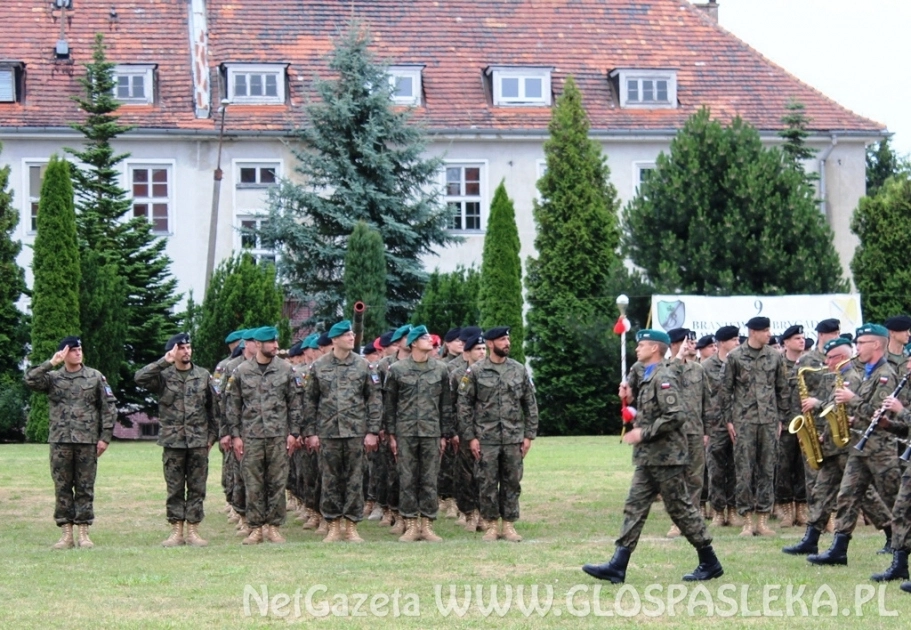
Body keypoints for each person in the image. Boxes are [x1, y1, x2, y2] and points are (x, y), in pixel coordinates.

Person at [582, 329, 723, 583]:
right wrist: (629, 399)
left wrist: (643, 433)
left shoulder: (664, 376)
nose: (638, 348)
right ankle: (618, 564)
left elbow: (675, 415)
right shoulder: (647, 375)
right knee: (634, 507)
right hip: (649, 457)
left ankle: (709, 560)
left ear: (656, 349)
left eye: (643, 344)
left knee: (680, 509)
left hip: (666, 456)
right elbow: (647, 410)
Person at [783, 337, 894, 557]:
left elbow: (850, 410)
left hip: (847, 445)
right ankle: (811, 538)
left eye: (830, 357)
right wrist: (823, 436)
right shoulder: (836, 377)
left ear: (841, 357)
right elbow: (834, 412)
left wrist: (818, 404)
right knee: (821, 492)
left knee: (863, 496)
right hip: (834, 445)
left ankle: (892, 533)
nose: (826, 361)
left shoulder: (851, 377)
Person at [809, 324, 903, 566]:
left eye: (862, 343)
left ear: (876, 345)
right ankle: (839, 550)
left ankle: (899, 549)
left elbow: (881, 414)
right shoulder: (869, 372)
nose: (857, 347)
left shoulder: (885, 374)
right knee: (847, 496)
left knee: (895, 499)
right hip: (860, 446)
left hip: (879, 448)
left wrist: (853, 400)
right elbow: (867, 412)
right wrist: (850, 417)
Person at [25, 336, 117, 549]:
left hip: (87, 441)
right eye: (73, 350)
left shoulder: (95, 377)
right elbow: (30, 379)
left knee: (85, 487)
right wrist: (51, 362)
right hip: (61, 441)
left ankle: (84, 532)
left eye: (79, 349)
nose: (78, 353)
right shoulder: (53, 378)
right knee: (62, 487)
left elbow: (108, 408)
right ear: (64, 354)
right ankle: (66, 534)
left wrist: (105, 438)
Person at [135, 332, 217, 547]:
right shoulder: (163, 376)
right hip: (173, 442)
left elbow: (214, 410)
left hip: (198, 441)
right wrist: (164, 361)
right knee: (175, 488)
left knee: (198, 487)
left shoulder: (202, 375)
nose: (186, 351)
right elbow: (139, 378)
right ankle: (176, 531)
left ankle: (193, 530)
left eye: (188, 347)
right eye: (181, 348)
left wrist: (211, 437)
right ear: (173, 351)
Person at [304, 320, 382, 543]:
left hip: (355, 431)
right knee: (329, 479)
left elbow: (374, 399)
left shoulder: (363, 365)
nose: (351, 337)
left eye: (352, 334)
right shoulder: (319, 366)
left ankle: (351, 525)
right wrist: (311, 432)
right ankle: (333, 525)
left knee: (355, 480)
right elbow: (310, 401)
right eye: (346, 335)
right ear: (335, 339)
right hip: (328, 432)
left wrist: (372, 431)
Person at [458, 326, 538, 542]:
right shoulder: (475, 371)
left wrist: (529, 435)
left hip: (513, 438)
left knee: (512, 481)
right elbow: (464, 405)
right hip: (486, 439)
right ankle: (491, 525)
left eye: (508, 339)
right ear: (491, 343)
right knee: (487, 482)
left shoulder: (519, 370)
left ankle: (509, 525)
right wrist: (471, 437)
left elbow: (530, 403)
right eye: (502, 340)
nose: (507, 343)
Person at [226, 326, 304, 545]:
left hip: (278, 436)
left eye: (276, 342)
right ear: (258, 344)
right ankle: (256, 527)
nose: (276, 346)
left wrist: (294, 432)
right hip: (251, 437)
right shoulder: (242, 371)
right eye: (271, 342)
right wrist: (235, 435)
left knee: (277, 482)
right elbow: (233, 406)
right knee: (253, 483)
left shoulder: (286, 370)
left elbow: (295, 404)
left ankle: (274, 527)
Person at [384, 325, 454, 542]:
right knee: (407, 478)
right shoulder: (397, 370)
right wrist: (391, 434)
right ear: (413, 343)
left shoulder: (441, 370)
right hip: (406, 432)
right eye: (424, 338)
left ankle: (427, 524)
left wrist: (445, 434)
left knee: (430, 478)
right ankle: (411, 524)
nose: (429, 340)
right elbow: (390, 405)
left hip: (431, 432)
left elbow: (446, 405)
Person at [721, 316, 790, 536]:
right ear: (753, 332)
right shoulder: (735, 357)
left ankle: (762, 519)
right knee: (744, 470)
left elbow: (782, 389)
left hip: (769, 421)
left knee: (767, 469)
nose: (769, 334)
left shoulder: (775, 357)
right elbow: (725, 390)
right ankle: (747, 520)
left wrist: (781, 419)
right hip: (744, 422)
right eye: (765, 330)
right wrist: (728, 420)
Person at [665, 328, 711, 538]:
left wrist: (707, 430)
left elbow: (706, 402)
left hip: (695, 430)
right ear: (675, 344)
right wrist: (678, 358)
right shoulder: (664, 367)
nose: (691, 345)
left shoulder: (698, 369)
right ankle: (677, 521)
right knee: (675, 478)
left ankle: (692, 519)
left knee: (695, 478)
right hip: (672, 432)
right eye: (686, 341)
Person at [704, 326, 741, 527]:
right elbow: (702, 398)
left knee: (736, 467)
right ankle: (718, 511)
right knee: (716, 468)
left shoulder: (740, 363)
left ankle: (733, 509)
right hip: (715, 424)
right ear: (722, 342)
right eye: (733, 339)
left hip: (737, 422)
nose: (737, 343)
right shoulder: (706, 366)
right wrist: (704, 428)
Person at [450, 327, 486, 532]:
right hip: (465, 432)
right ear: (467, 352)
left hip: (489, 432)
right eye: (477, 348)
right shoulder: (456, 375)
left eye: (484, 348)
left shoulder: (493, 371)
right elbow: (451, 406)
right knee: (466, 475)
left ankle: (484, 514)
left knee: (486, 475)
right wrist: (453, 432)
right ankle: (469, 513)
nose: (482, 352)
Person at [777, 325, 808, 528]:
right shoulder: (778, 364)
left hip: (805, 423)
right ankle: (786, 508)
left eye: (803, 337)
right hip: (785, 423)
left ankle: (802, 508)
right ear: (786, 342)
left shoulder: (809, 361)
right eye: (797, 338)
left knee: (804, 467)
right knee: (783, 467)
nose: (801, 341)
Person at [214, 330, 244, 515]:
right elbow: (219, 396)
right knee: (230, 464)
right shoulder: (225, 366)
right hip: (229, 422)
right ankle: (232, 498)